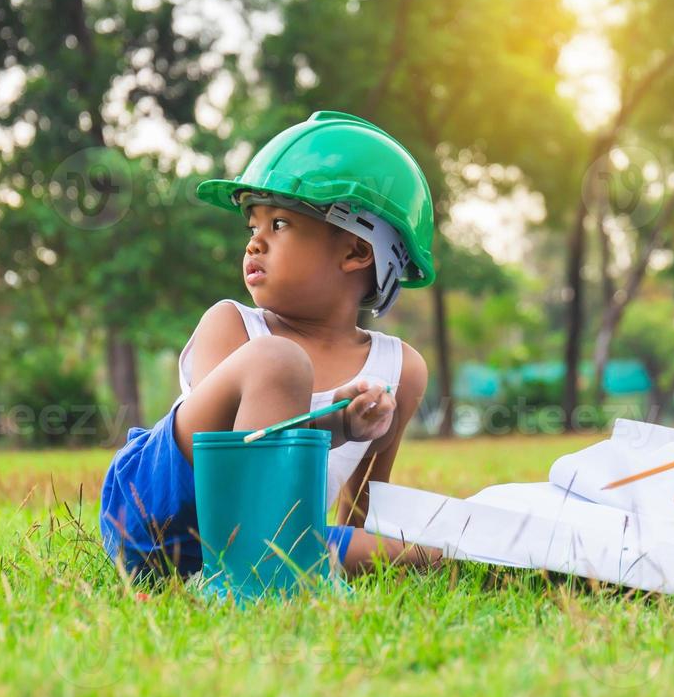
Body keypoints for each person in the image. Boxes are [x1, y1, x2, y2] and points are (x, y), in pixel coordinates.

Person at [100, 111, 439, 579]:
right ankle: (251, 580)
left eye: (279, 224)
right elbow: (225, 452)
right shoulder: (233, 325)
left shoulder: (400, 368)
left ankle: (535, 569)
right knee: (279, 362)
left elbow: (362, 508)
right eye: (252, 227)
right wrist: (337, 423)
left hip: (278, 539)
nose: (254, 243)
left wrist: (365, 555)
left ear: (357, 252)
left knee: (422, 553)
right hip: (159, 515)